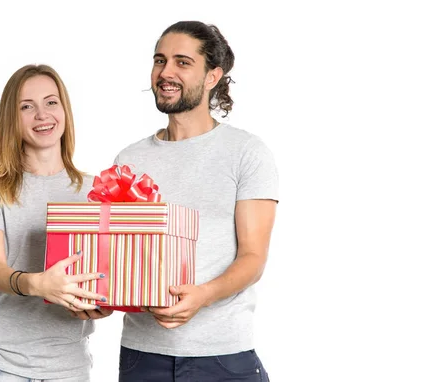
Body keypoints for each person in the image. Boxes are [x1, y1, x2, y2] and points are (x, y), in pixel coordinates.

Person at [114, 21, 278, 381]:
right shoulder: (129, 160)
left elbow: (253, 257)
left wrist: (203, 295)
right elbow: (120, 254)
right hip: (143, 357)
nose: (165, 72)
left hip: (222, 357)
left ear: (212, 77)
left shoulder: (246, 153)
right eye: (160, 60)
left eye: (182, 62)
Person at [0, 64, 112, 382]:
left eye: (51, 102)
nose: (42, 115)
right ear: (11, 119)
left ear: (65, 110)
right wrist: (36, 285)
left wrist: (101, 304)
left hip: (67, 364)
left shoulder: (96, 189)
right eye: (27, 107)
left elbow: (102, 276)